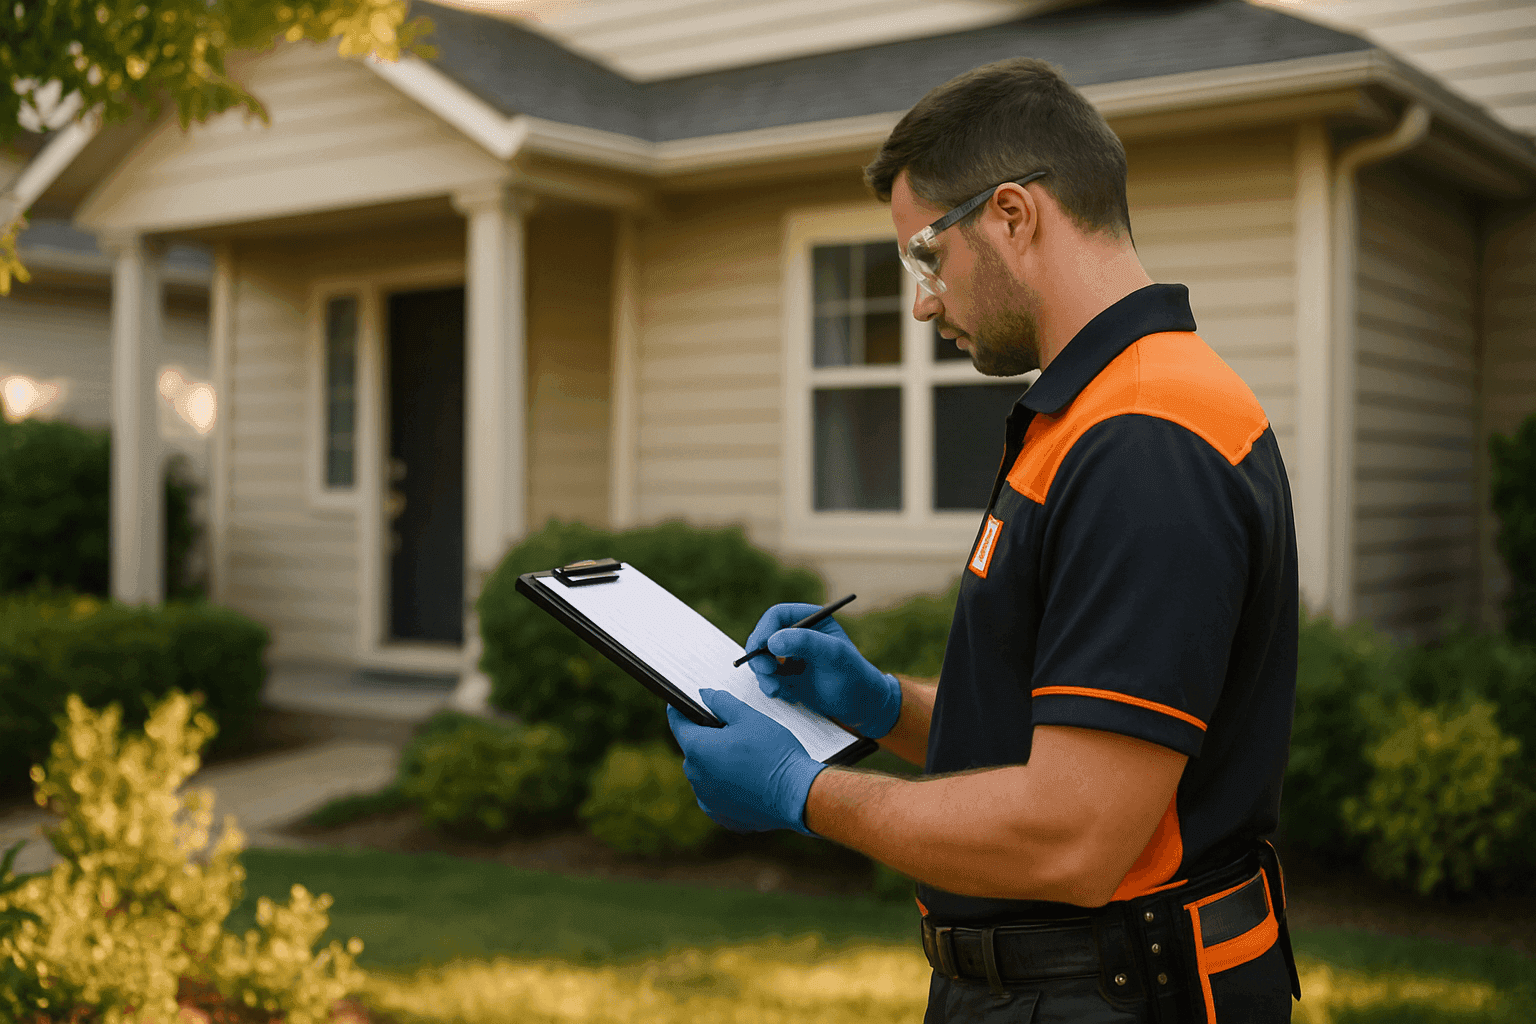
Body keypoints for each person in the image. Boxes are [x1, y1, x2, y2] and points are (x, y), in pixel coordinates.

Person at [667, 56, 1301, 1024]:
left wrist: (802, 792)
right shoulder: (1097, 411)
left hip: (1110, 995)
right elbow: (1052, 739)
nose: (922, 303)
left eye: (926, 256)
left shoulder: (1144, 439)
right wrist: (879, 703)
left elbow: (1073, 833)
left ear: (1013, 213)